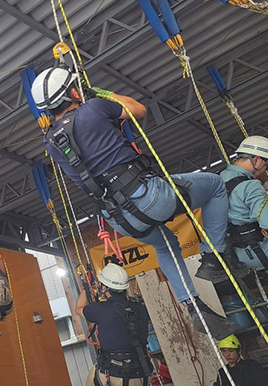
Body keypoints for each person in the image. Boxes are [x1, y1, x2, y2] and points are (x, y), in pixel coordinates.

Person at [31, 67, 243, 340]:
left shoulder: (51, 142)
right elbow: (137, 109)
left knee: (164, 242)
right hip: (147, 194)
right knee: (214, 186)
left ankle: (193, 305)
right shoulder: (94, 108)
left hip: (119, 216)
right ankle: (213, 256)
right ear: (73, 92)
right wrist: (100, 93)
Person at [75, 263, 153, 386]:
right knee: (115, 371)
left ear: (104, 288)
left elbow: (79, 309)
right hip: (143, 375)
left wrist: (86, 286)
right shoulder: (140, 309)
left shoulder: (101, 309)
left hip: (119, 379)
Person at [220, 136, 268, 269]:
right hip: (259, 249)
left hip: (236, 253)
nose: (265, 170)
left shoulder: (219, 178)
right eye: (266, 165)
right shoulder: (251, 185)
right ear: (257, 160)